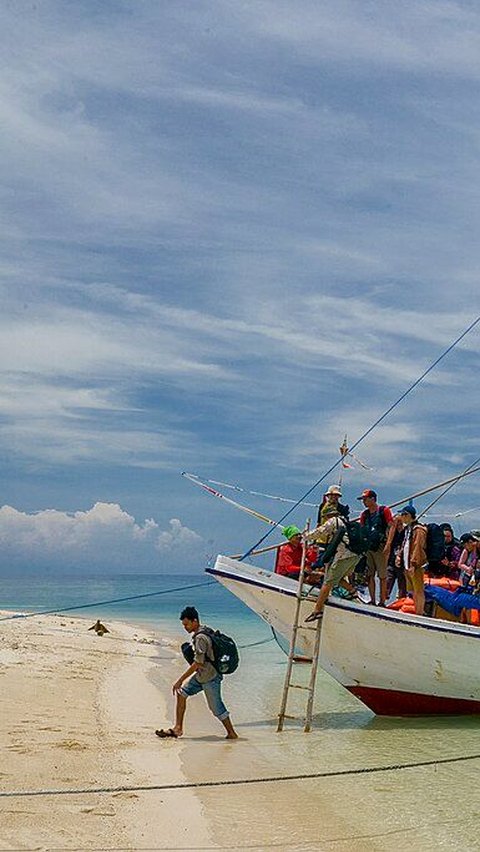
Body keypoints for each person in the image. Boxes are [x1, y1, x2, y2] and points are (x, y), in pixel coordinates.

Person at [155, 606, 237, 740]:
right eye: (183, 625)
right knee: (181, 694)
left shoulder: (200, 638)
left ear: (195, 621)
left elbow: (198, 662)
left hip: (210, 677)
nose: (185, 627)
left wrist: (180, 680)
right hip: (201, 676)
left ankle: (232, 733)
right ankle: (178, 729)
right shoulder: (203, 630)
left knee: (216, 708)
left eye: (187, 624)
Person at [304, 507, 362, 622]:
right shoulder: (346, 521)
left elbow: (320, 531)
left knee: (328, 582)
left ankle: (317, 610)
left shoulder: (333, 521)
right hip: (355, 555)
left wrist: (305, 536)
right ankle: (352, 592)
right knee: (338, 577)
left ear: (327, 516)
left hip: (343, 556)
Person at [358, 489, 395, 607]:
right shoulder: (364, 514)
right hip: (368, 546)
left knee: (382, 575)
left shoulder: (384, 511)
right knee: (370, 574)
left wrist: (388, 544)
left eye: (365, 499)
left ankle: (382, 601)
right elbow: (362, 529)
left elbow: (392, 526)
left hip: (380, 546)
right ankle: (372, 599)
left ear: (372, 499)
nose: (364, 502)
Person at [400, 505, 427, 615]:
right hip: (408, 564)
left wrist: (414, 564)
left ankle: (420, 612)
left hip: (416, 565)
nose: (401, 517)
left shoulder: (418, 530)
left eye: (402, 515)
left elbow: (418, 547)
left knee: (418, 590)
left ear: (407, 515)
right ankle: (417, 610)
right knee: (413, 590)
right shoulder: (408, 529)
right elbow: (406, 545)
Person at [386, 515, 406, 600]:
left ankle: (400, 600)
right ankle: (383, 599)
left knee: (401, 584)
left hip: (402, 564)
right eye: (397, 524)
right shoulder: (391, 533)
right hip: (391, 561)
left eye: (400, 524)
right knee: (388, 581)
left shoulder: (405, 533)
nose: (399, 526)